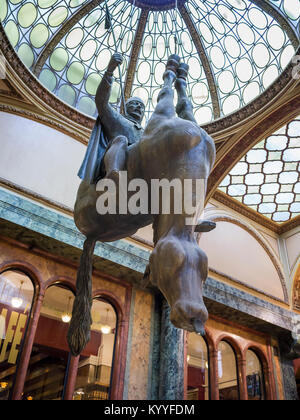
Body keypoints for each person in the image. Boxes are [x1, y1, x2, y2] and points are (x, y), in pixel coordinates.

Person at [95, 52, 145, 182]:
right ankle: (113, 173)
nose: (139, 107)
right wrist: (110, 71)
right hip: (118, 161)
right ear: (125, 108)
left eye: (142, 106)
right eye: (134, 104)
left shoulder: (146, 132)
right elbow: (101, 101)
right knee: (121, 139)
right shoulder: (117, 118)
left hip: (140, 168)